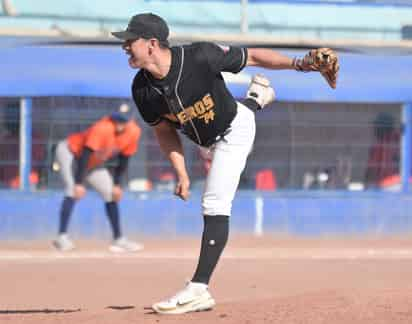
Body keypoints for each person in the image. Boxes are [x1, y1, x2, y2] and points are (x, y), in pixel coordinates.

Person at [112, 13, 337, 314]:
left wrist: (299, 64)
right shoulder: (142, 89)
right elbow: (164, 131)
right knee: (221, 118)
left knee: (215, 202)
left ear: (152, 44)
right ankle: (257, 98)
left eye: (130, 41)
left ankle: (198, 289)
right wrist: (181, 172)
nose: (125, 46)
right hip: (208, 142)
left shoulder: (198, 56)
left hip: (234, 132)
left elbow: (253, 56)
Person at [53, 103, 144, 253]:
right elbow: (85, 155)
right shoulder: (102, 128)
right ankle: (61, 237)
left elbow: (124, 159)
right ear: (112, 118)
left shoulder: (134, 132)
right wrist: (79, 183)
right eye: (117, 119)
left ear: (131, 119)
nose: (120, 124)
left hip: (93, 162)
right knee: (72, 190)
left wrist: (117, 184)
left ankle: (118, 239)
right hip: (70, 152)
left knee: (110, 194)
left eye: (124, 120)